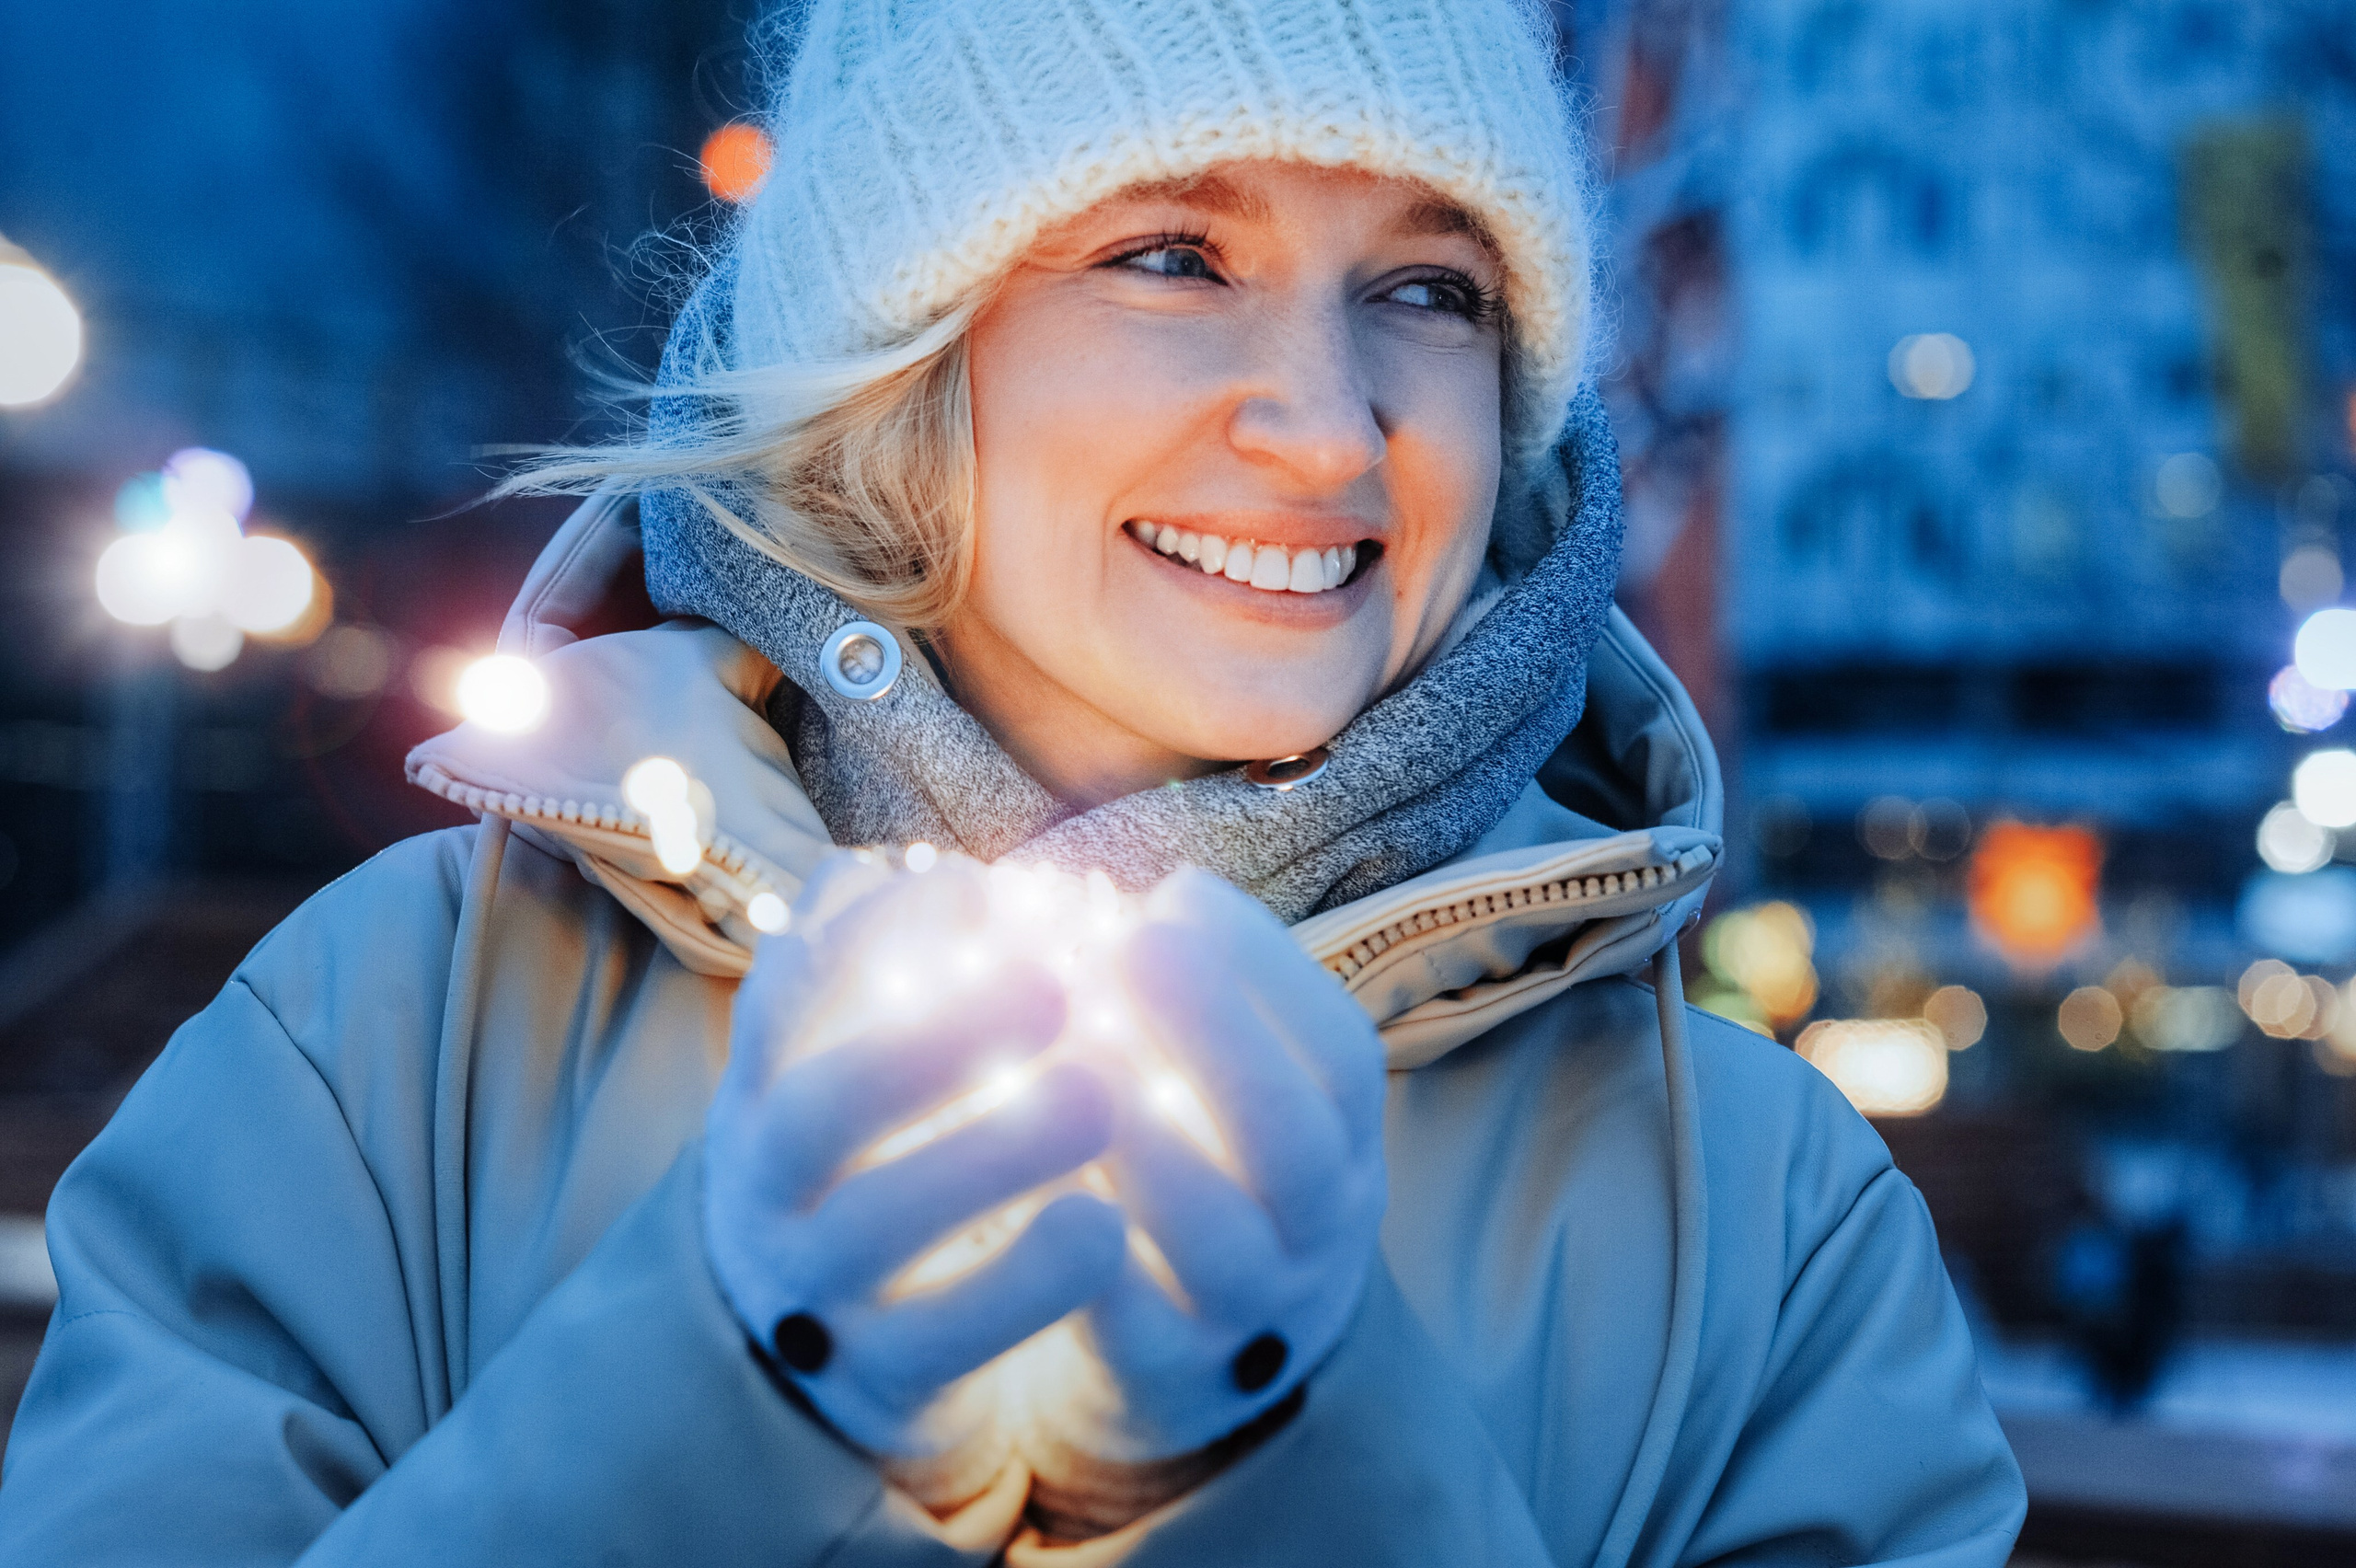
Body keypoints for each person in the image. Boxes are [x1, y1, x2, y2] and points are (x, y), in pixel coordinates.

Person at [0, 1, 2026, 1562]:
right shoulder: (381, 1051)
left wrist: (1296, 1460)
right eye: (1168, 254)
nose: (1328, 429)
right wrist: (714, 1396)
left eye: (1426, 290)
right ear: (900, 345)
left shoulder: (1761, 1217)